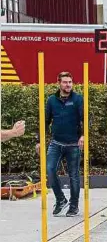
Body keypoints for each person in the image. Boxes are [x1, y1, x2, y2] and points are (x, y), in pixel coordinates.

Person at [36, 72, 83, 217]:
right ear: (59, 83)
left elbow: (85, 118)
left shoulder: (78, 99)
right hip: (56, 143)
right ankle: (61, 199)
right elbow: (45, 121)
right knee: (49, 170)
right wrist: (39, 141)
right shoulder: (51, 100)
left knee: (73, 175)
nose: (68, 84)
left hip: (73, 144)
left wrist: (83, 135)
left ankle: (74, 206)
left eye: (70, 82)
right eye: (65, 82)